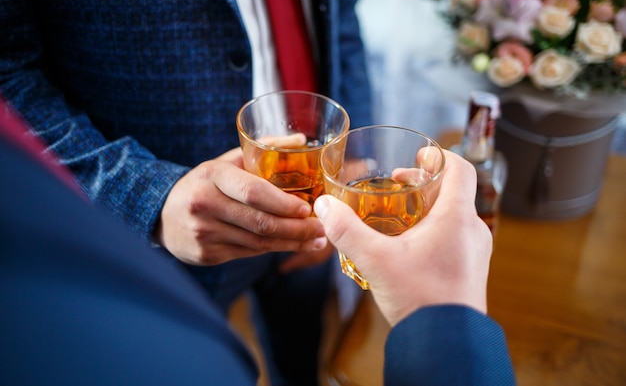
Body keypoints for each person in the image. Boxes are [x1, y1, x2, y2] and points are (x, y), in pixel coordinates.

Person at [0, 0, 372, 385]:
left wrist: (350, 155)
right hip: (165, 243)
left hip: (320, 193)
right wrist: (151, 198)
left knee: (303, 349)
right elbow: (8, 74)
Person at [0, 101, 515, 385]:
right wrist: (152, 196)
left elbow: (338, 13)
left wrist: (441, 314)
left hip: (317, 231)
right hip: (188, 245)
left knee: (304, 339)